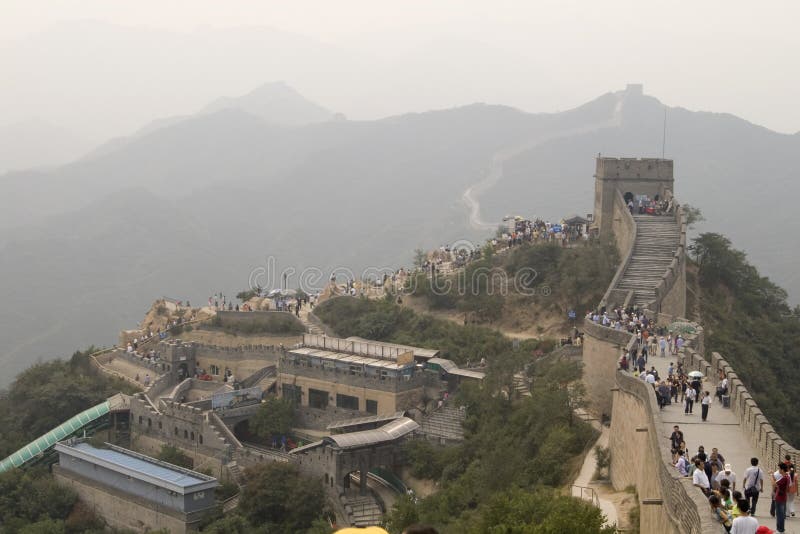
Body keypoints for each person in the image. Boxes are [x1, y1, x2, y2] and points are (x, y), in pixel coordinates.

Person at [773, 463, 789, 533]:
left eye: (779, 468)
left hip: (780, 498)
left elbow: (774, 484)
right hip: (783, 497)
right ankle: (780, 529)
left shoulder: (784, 478)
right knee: (780, 514)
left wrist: (771, 476)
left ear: (782, 470)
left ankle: (780, 529)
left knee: (779, 515)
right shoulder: (786, 476)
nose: (778, 470)